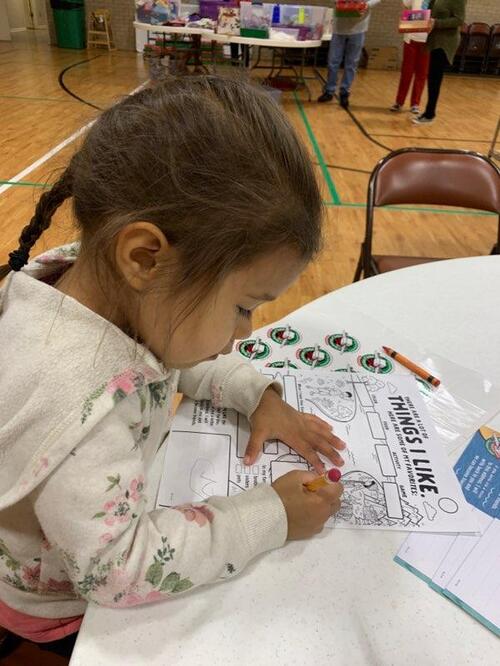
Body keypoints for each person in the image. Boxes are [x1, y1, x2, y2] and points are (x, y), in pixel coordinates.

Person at [0, 77, 344, 659]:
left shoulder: (104, 283)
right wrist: (271, 514)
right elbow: (117, 569)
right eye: (243, 306)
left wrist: (255, 395)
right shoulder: (81, 405)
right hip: (61, 607)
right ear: (145, 257)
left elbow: (164, 360)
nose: (246, 331)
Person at [318, 0, 381, 108]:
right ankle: (329, 90)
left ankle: (344, 92)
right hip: (339, 27)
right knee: (333, 61)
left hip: (358, 27)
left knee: (351, 63)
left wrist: (367, 4)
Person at [412, 0, 466, 124]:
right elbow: (428, 13)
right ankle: (429, 112)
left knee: (435, 78)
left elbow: (459, 20)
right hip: (434, 39)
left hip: (445, 42)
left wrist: (436, 23)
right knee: (432, 78)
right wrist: (413, 20)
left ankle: (429, 114)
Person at [390, 0, 431, 114]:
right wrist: (406, 20)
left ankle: (415, 104)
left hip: (427, 41)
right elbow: (405, 6)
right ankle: (399, 101)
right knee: (406, 72)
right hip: (411, 38)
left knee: (421, 73)